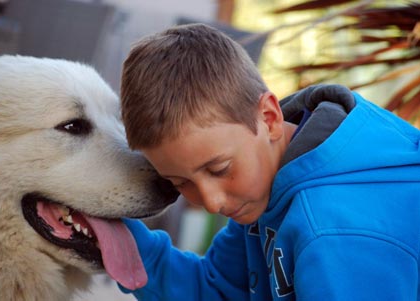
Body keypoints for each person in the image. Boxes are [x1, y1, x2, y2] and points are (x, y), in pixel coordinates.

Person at [118, 23, 420, 300]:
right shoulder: (265, 184)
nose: (211, 202)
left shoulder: (334, 235)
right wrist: (123, 243)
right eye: (180, 183)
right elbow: (217, 290)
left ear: (269, 118)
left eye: (218, 169)